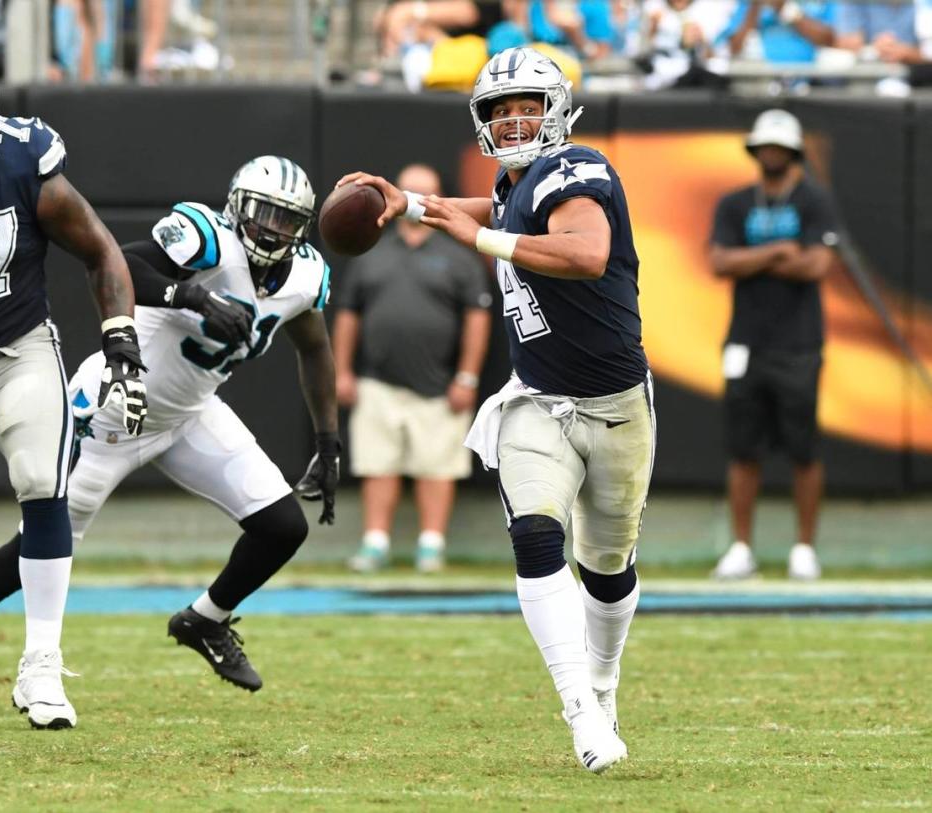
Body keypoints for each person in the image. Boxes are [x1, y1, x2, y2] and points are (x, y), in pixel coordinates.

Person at [338, 46, 655, 774]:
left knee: (605, 567)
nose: (513, 122)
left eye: (526, 107)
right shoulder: (514, 184)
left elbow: (583, 253)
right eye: (499, 110)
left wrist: (475, 236)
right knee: (536, 536)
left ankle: (602, 687)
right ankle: (579, 708)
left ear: (557, 111)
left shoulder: (580, 169)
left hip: (613, 405)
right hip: (538, 397)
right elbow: (499, 207)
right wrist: (412, 204)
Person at [0, 155, 339, 694]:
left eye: (286, 220)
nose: (272, 229)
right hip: (116, 406)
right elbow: (120, 265)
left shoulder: (306, 277)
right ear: (237, 206)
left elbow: (315, 348)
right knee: (38, 546)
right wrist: (191, 293)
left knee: (283, 526)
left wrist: (328, 440)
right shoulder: (206, 236)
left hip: (191, 413)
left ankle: (204, 620)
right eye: (263, 214)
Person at [0, 49, 147, 729]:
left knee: (43, 482)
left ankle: (41, 661)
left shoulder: (22, 159)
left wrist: (120, 339)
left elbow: (101, 248)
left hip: (16, 347)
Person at [334, 163, 492, 574]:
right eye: (411, 191)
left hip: (439, 385)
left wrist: (467, 376)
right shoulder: (371, 252)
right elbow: (349, 315)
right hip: (377, 381)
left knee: (436, 467)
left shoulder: (460, 255)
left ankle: (431, 544)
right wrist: (342, 372)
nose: (418, 201)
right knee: (377, 464)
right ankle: (375, 542)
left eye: (427, 193)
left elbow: (478, 318)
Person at [710, 109, 839, 581]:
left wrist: (753, 261)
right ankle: (741, 547)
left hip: (799, 343)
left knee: (803, 448)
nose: (771, 154)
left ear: (793, 152)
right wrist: (779, 251)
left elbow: (816, 267)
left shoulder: (814, 199)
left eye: (779, 147)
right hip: (746, 340)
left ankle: (804, 548)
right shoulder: (735, 203)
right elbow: (719, 262)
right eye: (765, 146)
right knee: (743, 449)